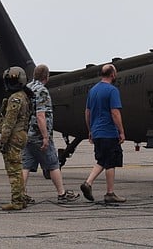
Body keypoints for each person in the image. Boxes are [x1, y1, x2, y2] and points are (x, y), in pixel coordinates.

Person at [21, 64, 78, 204]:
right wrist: (45, 136)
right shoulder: (42, 91)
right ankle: (61, 193)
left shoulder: (27, 88)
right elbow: (41, 115)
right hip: (39, 134)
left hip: (27, 133)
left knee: (26, 165)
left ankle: (20, 194)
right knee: (53, 164)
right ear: (47, 76)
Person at [80, 63, 126, 204]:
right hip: (108, 132)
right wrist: (121, 131)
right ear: (112, 74)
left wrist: (90, 130)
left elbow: (87, 112)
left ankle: (88, 183)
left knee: (102, 160)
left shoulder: (93, 90)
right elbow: (115, 112)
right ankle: (110, 193)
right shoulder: (112, 91)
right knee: (110, 162)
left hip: (97, 132)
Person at [0, 66, 33, 211]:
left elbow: (9, 122)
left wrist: (3, 140)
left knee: (14, 170)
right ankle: (21, 198)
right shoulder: (24, 96)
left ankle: (17, 200)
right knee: (17, 167)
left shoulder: (15, 98)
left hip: (14, 136)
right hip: (22, 134)